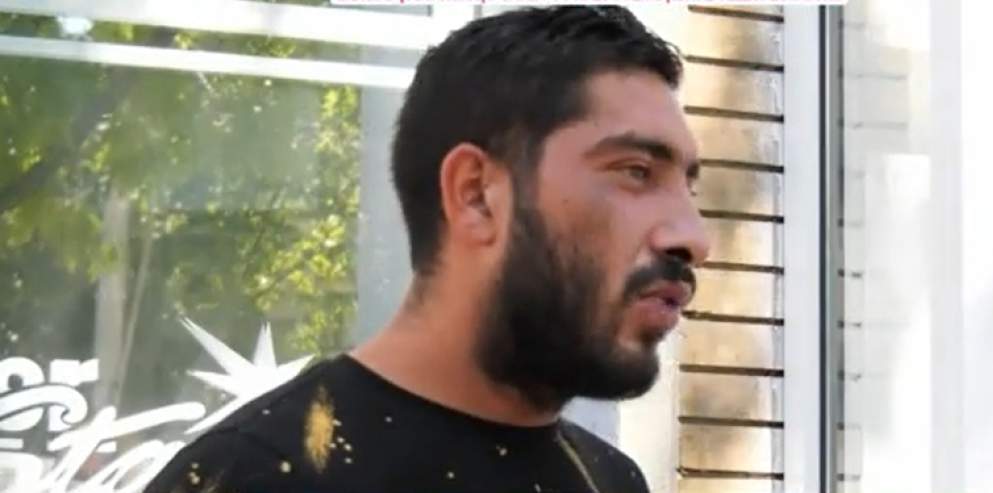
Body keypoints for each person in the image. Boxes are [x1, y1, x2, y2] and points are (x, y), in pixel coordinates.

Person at [144, 6, 709, 493]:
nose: (694, 239)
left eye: (689, 187)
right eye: (636, 172)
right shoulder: (256, 475)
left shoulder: (608, 478)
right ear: (476, 195)